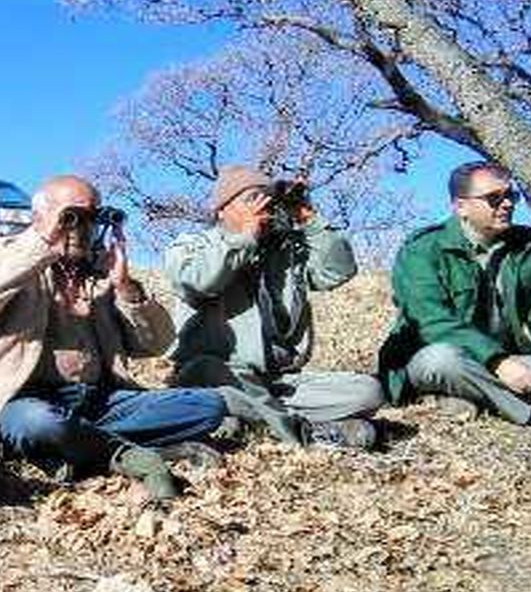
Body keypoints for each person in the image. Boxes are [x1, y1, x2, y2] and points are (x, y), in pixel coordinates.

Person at [0, 175, 225, 501]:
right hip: (23, 402)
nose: (81, 227)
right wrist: (42, 243)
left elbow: (156, 344)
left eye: (93, 218)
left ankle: (81, 443)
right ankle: (122, 452)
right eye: (71, 216)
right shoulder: (4, 256)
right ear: (39, 217)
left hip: (98, 401)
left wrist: (125, 286)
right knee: (39, 423)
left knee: (207, 405)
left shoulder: (99, 275)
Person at [163, 166, 383, 448]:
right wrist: (245, 238)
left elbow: (338, 271)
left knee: (367, 392)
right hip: (219, 375)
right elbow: (199, 281)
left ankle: (248, 420)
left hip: (278, 381)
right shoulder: (193, 246)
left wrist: (307, 217)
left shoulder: (287, 252)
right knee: (211, 372)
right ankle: (305, 434)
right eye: (251, 199)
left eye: (268, 199)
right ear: (221, 210)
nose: (263, 207)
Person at [378, 161, 531, 424]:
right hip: (433, 358)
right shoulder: (422, 249)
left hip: (507, 360)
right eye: (494, 198)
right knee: (443, 360)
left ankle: (472, 399)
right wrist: (497, 363)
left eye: (511, 196)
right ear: (461, 206)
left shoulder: (526, 246)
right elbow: (431, 321)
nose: (508, 204)